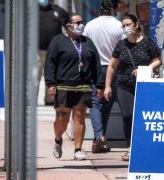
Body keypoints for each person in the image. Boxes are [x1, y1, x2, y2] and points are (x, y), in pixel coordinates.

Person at [44, 14, 104, 160]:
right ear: (69, 25)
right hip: (63, 85)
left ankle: (78, 149)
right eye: (78, 22)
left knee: (79, 117)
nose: (81, 24)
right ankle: (58, 139)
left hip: (83, 85)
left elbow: (96, 64)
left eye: (82, 22)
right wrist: (51, 83)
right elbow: (50, 63)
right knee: (62, 118)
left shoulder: (87, 42)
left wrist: (100, 85)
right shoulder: (57, 41)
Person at [104, 14, 162, 161]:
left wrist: (146, 69)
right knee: (127, 116)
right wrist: (107, 86)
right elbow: (111, 66)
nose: (126, 28)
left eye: (129, 24)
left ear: (136, 24)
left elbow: (158, 61)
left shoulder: (148, 42)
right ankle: (130, 147)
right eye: (123, 26)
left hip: (145, 85)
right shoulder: (121, 44)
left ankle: (144, 147)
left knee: (143, 117)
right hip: (124, 84)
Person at [83, 0, 124, 153]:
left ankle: (99, 137)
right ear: (114, 9)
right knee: (106, 103)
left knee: (95, 102)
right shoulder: (119, 26)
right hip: (112, 69)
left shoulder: (90, 25)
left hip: (94, 68)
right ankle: (100, 136)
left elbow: (84, 46)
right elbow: (124, 49)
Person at [38, 0, 70, 105]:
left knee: (52, 75)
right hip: (37, 50)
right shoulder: (32, 11)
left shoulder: (58, 10)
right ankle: (31, 100)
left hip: (54, 50)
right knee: (35, 75)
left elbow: (68, 24)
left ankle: (50, 99)